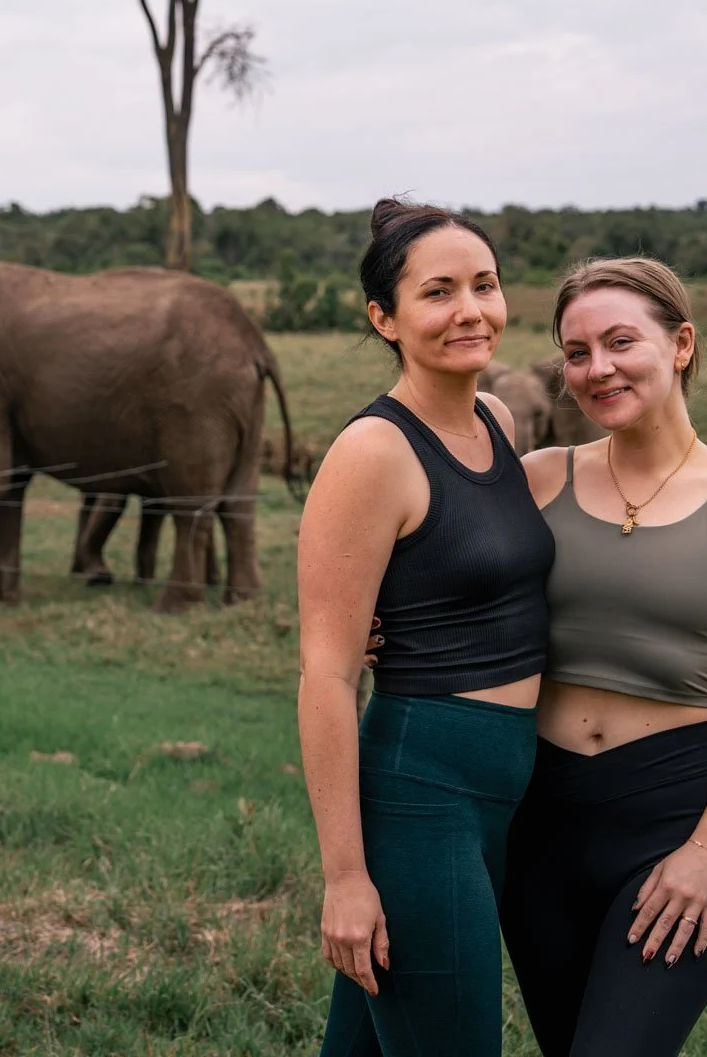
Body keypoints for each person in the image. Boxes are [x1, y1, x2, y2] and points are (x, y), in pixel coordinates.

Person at [499, 256, 707, 1057]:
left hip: (676, 819)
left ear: (680, 344)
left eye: (619, 342)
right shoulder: (534, 482)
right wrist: (379, 630)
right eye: (576, 352)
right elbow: (446, 593)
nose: (596, 369)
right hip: (538, 822)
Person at [298, 198, 556, 1057]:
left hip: (507, 786)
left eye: (484, 285)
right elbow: (327, 673)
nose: (470, 311)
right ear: (385, 318)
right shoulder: (373, 451)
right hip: (423, 789)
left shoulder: (497, 423)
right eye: (438, 292)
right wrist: (345, 878)